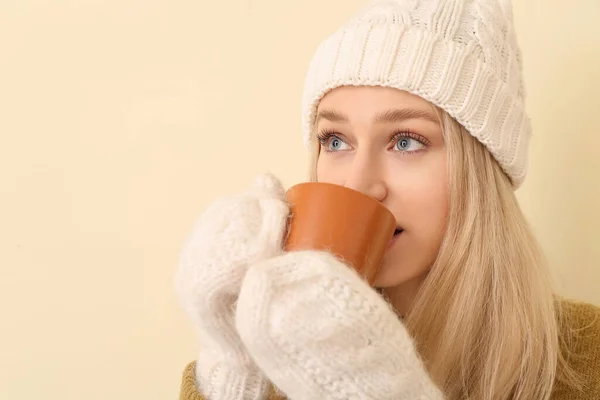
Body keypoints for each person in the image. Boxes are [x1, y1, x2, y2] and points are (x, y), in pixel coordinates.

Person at [175, 0, 600, 399]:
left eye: (406, 142)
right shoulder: (271, 350)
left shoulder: (588, 355)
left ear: (482, 171)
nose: (358, 185)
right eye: (335, 140)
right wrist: (235, 373)